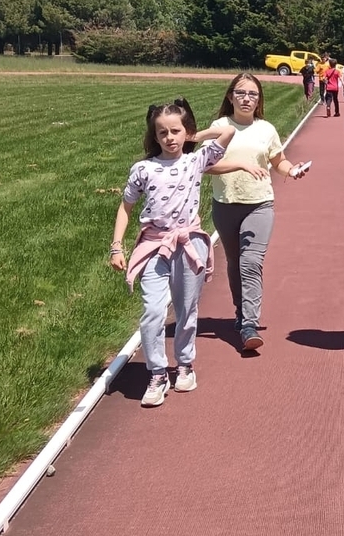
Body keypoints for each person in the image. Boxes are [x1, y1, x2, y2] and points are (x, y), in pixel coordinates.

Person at [109, 99, 265, 407]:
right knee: (153, 312)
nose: (169, 137)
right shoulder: (142, 169)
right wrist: (117, 246)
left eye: (176, 131)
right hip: (154, 246)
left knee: (186, 311)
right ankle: (156, 373)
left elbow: (226, 134)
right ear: (154, 136)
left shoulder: (196, 161)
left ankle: (184, 364)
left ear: (186, 132)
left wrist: (194, 136)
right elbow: (125, 207)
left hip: (189, 245)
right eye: (162, 132)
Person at [208, 73, 311, 351]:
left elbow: (278, 160)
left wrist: (291, 170)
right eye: (241, 93)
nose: (246, 99)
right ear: (231, 96)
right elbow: (205, 165)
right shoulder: (220, 126)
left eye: (253, 94)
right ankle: (241, 311)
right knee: (234, 262)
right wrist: (239, 165)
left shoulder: (266, 129)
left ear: (258, 100)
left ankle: (250, 325)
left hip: (260, 204)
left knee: (250, 262)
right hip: (226, 204)